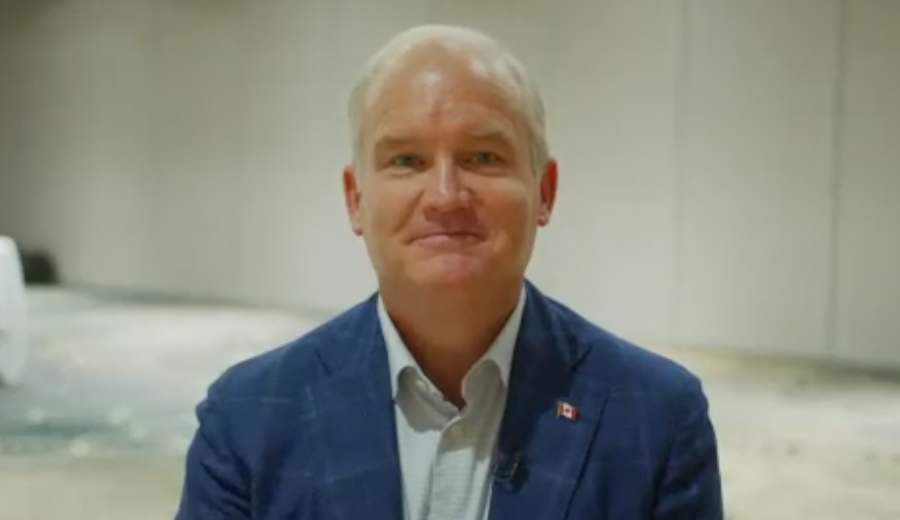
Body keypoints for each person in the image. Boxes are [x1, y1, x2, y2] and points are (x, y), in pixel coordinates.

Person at [175, 24, 723, 520]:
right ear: (355, 199)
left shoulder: (657, 419)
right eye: (406, 161)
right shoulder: (247, 420)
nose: (444, 196)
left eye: (483, 157)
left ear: (544, 192)